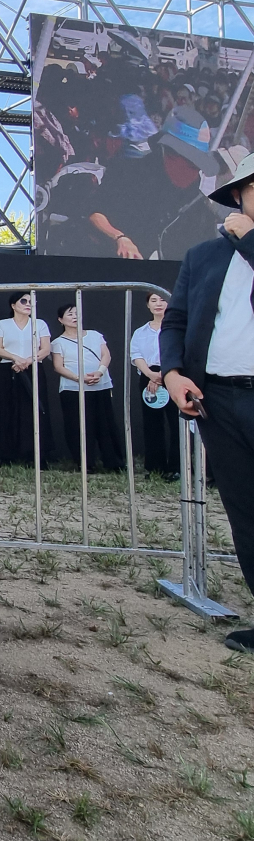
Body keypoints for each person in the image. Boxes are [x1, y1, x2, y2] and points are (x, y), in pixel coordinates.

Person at [160, 152, 254, 654]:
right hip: (218, 397)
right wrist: (173, 373)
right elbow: (175, 320)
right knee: (244, 510)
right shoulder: (202, 256)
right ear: (237, 195)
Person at [51, 303, 125, 472]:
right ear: (61, 319)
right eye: (70, 314)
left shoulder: (94, 335)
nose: (75, 317)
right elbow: (58, 366)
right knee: (78, 425)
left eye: (77, 313)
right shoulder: (58, 342)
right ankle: (85, 463)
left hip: (101, 386)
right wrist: (79, 378)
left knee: (106, 424)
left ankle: (114, 462)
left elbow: (106, 354)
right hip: (73, 389)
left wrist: (99, 372)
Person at [0, 291, 55, 466]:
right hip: (8, 369)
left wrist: (28, 360)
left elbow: (46, 349)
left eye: (31, 301)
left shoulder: (39, 324)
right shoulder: (2, 324)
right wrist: (15, 358)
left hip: (33, 369)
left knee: (33, 410)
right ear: (13, 305)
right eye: (24, 301)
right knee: (6, 410)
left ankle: (35, 455)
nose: (28, 304)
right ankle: (6, 454)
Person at [130, 291, 179, 478]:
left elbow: (180, 351)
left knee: (177, 423)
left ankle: (176, 467)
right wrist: (151, 375)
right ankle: (154, 466)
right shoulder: (140, 332)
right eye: (153, 300)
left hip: (173, 374)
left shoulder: (176, 328)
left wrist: (165, 375)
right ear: (148, 305)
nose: (158, 304)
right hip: (148, 377)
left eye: (163, 299)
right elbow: (136, 355)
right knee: (152, 424)